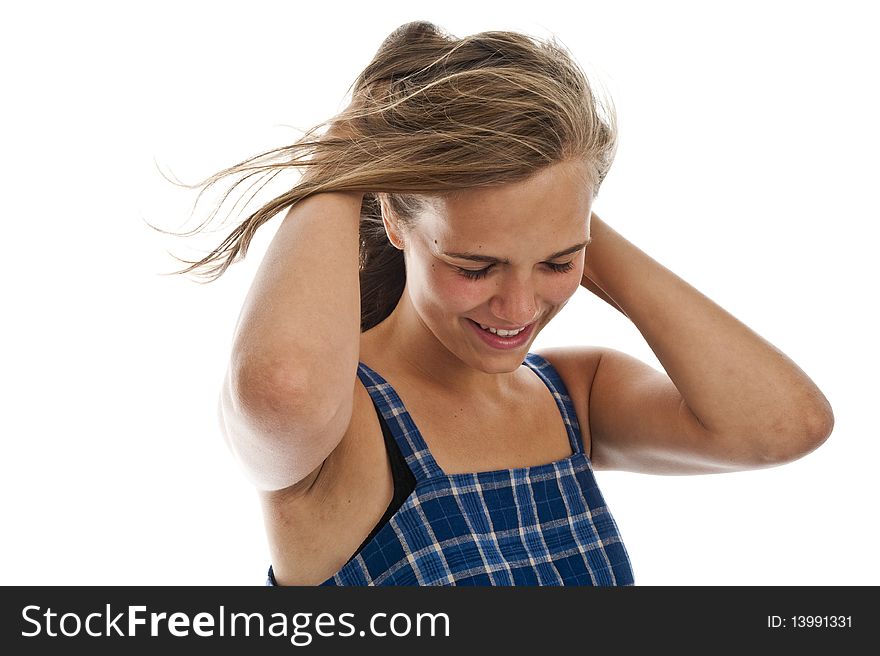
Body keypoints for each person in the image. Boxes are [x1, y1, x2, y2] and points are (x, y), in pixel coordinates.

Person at [165, 21, 834, 585]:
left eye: (559, 261)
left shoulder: (574, 395)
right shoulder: (343, 426)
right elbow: (281, 387)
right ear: (396, 223)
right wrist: (352, 148)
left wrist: (559, 202)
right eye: (476, 264)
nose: (518, 305)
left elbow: (785, 425)